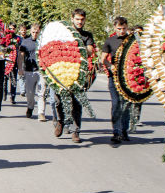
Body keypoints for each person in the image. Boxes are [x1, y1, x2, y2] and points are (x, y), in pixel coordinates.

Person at [53, 8, 95, 143]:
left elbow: (89, 51)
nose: (80, 22)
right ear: (72, 19)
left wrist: (76, 48)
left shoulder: (87, 36)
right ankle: (60, 121)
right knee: (59, 100)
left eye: (82, 19)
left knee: (77, 102)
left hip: (78, 73)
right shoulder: (64, 33)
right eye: (77, 19)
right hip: (62, 71)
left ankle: (76, 131)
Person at [101, 16, 132, 145]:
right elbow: (102, 59)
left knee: (126, 104)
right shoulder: (110, 40)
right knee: (116, 104)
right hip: (114, 77)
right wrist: (110, 66)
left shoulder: (132, 40)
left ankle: (124, 130)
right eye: (119, 28)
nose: (122, 31)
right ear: (115, 27)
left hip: (128, 78)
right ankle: (116, 132)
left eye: (124, 28)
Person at [18, 21, 50, 120]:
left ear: (40, 32)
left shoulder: (44, 42)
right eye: (33, 32)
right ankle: (30, 107)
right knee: (30, 93)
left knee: (42, 93)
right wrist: (20, 68)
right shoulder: (25, 42)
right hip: (29, 71)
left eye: (37, 32)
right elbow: (21, 56)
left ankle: (41, 113)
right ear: (30, 32)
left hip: (41, 71)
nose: (35, 34)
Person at [130, 25, 145, 132]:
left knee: (139, 98)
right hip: (130, 74)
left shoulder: (145, 45)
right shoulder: (128, 45)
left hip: (141, 74)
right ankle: (129, 119)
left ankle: (136, 118)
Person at [6, 22, 20, 105]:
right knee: (4, 79)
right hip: (6, 61)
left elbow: (20, 49)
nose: (12, 30)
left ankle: (12, 96)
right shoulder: (5, 37)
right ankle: (4, 94)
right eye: (10, 28)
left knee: (13, 79)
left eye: (13, 29)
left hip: (14, 61)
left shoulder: (18, 38)